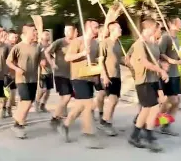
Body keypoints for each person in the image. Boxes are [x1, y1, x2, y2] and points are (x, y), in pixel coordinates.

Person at [57, 19, 103, 149]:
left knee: (80, 105)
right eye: (95, 27)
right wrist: (82, 53)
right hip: (78, 77)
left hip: (90, 77)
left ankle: (65, 125)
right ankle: (87, 133)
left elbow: (97, 61)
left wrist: (98, 76)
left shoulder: (95, 43)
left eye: (97, 27)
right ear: (87, 27)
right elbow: (68, 57)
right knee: (89, 105)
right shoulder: (78, 41)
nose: (97, 29)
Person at [128, 19, 168, 152]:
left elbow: (155, 61)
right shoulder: (140, 44)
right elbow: (144, 62)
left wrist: (161, 68)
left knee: (146, 109)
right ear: (150, 28)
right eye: (157, 28)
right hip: (143, 80)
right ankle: (149, 138)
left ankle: (135, 136)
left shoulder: (153, 44)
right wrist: (160, 70)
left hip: (153, 80)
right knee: (153, 108)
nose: (159, 30)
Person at [6, 24, 41, 139]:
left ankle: (18, 121)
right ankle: (18, 124)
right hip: (22, 79)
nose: (35, 33)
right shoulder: (18, 47)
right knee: (26, 101)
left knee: (29, 101)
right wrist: (17, 69)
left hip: (33, 78)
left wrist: (45, 63)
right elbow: (8, 61)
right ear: (25, 33)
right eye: (33, 31)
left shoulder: (37, 46)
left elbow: (41, 59)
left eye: (35, 31)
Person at [159, 17, 181, 136]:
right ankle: (155, 118)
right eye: (179, 22)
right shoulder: (165, 37)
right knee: (171, 100)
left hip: (176, 73)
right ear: (172, 24)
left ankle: (165, 124)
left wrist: (180, 60)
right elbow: (160, 53)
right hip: (168, 74)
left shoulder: (177, 39)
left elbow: (175, 54)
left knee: (177, 101)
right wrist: (171, 61)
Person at [45, 24, 75, 128]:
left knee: (65, 96)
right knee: (66, 96)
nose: (67, 33)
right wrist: (52, 63)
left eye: (69, 31)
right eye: (65, 31)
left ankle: (61, 114)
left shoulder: (77, 42)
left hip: (73, 73)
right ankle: (55, 118)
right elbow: (47, 52)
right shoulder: (59, 42)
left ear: (74, 31)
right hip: (61, 73)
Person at [97, 22, 124, 136]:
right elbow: (100, 61)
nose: (121, 29)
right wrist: (104, 76)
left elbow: (120, 59)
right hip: (108, 75)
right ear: (112, 30)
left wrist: (129, 63)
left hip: (117, 75)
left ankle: (107, 121)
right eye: (119, 28)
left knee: (115, 100)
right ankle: (104, 123)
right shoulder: (105, 43)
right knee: (112, 99)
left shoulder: (118, 43)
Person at [35, 30, 54, 112]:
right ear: (42, 36)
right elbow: (34, 58)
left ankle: (43, 105)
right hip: (41, 71)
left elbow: (53, 56)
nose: (48, 36)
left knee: (48, 90)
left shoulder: (51, 46)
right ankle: (37, 102)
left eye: (49, 35)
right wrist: (40, 62)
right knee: (43, 89)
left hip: (50, 71)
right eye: (46, 34)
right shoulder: (38, 47)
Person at [1, 30, 19, 118]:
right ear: (8, 37)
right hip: (7, 73)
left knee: (13, 93)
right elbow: (3, 60)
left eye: (16, 37)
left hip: (16, 73)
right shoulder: (5, 47)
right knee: (6, 93)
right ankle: (4, 108)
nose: (14, 39)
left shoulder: (17, 46)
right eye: (12, 37)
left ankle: (9, 108)